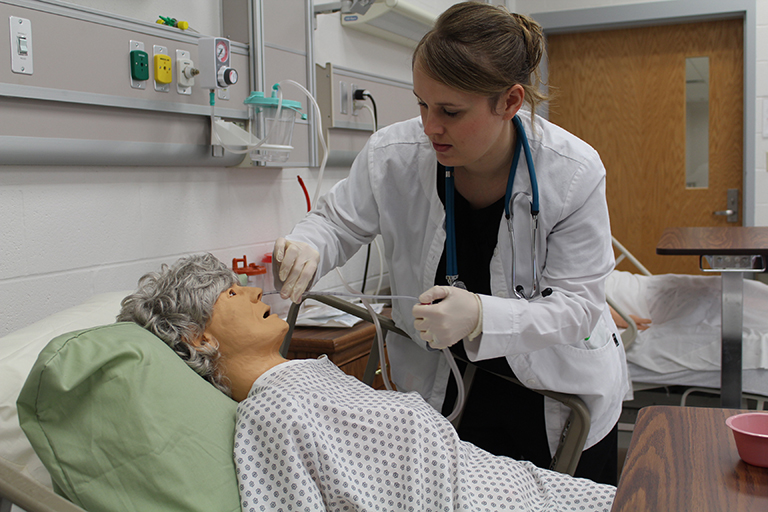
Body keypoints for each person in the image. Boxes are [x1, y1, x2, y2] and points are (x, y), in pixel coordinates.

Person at [272, 1, 629, 485]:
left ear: (509, 102)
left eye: (450, 111)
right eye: (421, 103)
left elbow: (577, 307)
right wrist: (308, 244)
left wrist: (483, 315)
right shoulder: (393, 157)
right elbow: (337, 223)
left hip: (555, 394)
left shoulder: (572, 173)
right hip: (443, 393)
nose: (429, 126)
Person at [117, 253, 616, 511]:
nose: (252, 290)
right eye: (230, 292)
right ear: (198, 338)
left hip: (502, 484)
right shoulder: (268, 413)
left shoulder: (312, 373)